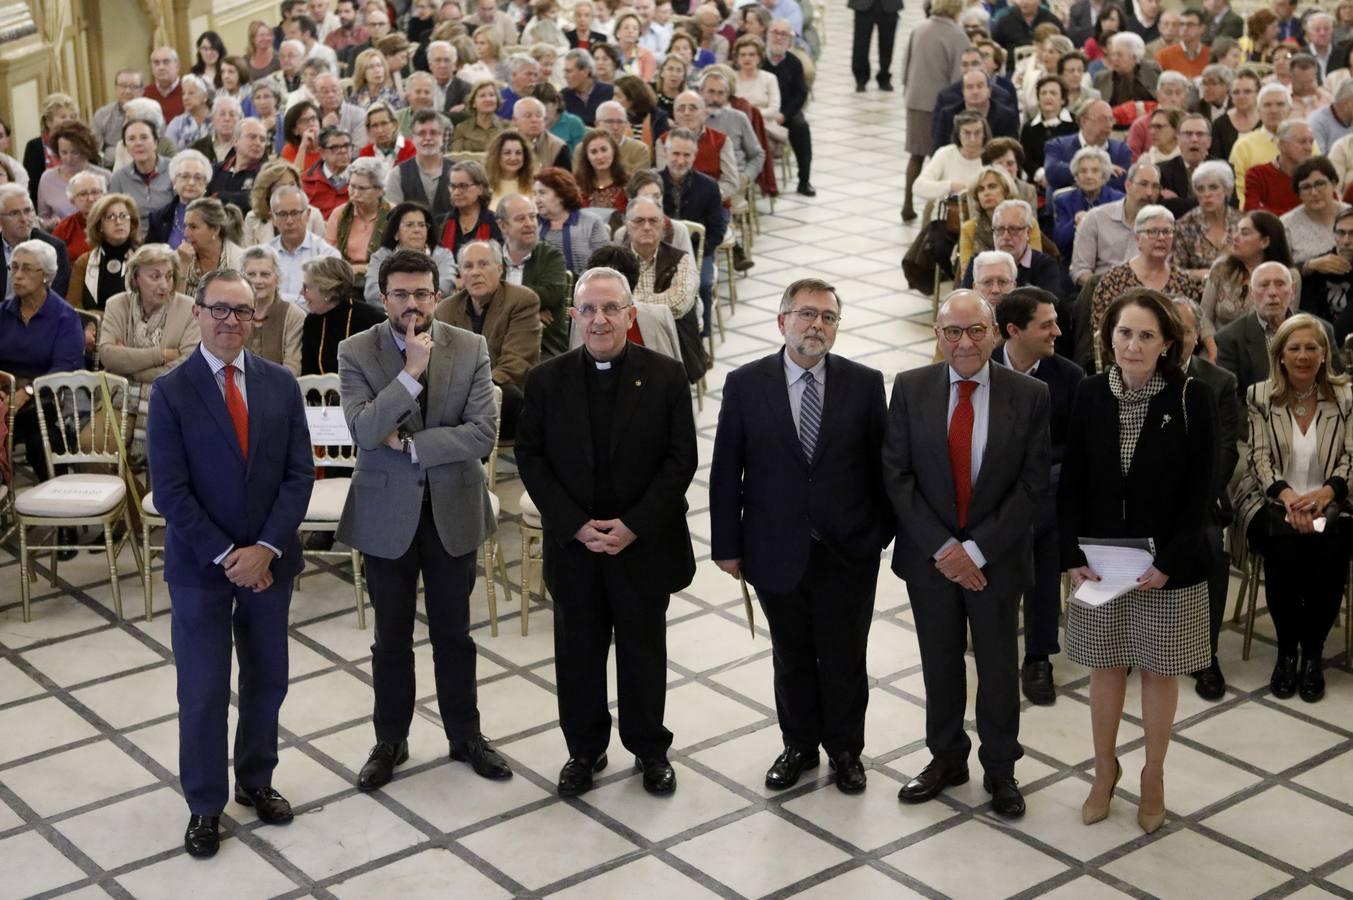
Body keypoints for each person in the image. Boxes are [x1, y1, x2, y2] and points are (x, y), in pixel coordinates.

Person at [146, 267, 315, 859]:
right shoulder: (171, 391)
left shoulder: (280, 384)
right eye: (218, 309)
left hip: (270, 563)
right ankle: (203, 805)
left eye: (241, 311)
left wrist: (266, 548)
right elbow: (170, 491)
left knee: (267, 680)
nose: (229, 321)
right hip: (201, 568)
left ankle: (256, 780)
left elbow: (300, 475)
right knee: (203, 689)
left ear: (256, 318)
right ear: (197, 313)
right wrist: (227, 555)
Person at [515, 265, 697, 797]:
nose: (600, 319)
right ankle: (584, 750)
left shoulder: (665, 376)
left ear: (630, 314)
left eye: (611, 308)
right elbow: (531, 457)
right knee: (578, 654)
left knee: (643, 652)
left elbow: (680, 460)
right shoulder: (546, 380)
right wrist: (574, 525)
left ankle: (649, 749)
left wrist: (633, 526)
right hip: (576, 546)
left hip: (642, 545)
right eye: (589, 309)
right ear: (574, 317)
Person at [335, 248, 512, 789]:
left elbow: (483, 433)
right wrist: (410, 373)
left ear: (439, 294)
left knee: (454, 635)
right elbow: (364, 433)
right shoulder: (355, 350)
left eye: (422, 293)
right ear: (382, 297)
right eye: (400, 294)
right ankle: (391, 739)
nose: (412, 305)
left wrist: (410, 444)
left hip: (452, 509)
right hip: (386, 515)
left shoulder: (470, 346)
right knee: (391, 638)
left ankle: (465, 735)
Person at [709, 277, 890, 792]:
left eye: (828, 317)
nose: (817, 325)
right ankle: (799, 746)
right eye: (807, 314)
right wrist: (727, 544)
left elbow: (884, 465)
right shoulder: (746, 384)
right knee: (791, 654)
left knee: (845, 656)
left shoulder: (864, 382)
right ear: (782, 321)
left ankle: (846, 751)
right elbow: (728, 468)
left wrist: (878, 533)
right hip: (773, 546)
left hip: (848, 548)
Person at [882, 289, 1050, 818]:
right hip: (930, 559)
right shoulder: (910, 388)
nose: (964, 342)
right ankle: (947, 759)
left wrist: (975, 550)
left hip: (995, 560)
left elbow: (1032, 484)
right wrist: (944, 549)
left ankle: (1001, 769)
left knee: (999, 668)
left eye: (976, 330)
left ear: (996, 332)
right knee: (939, 663)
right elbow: (897, 474)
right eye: (952, 331)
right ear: (938, 336)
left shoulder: (1030, 394)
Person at [1060, 286, 1216, 836]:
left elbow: (1201, 492)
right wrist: (1072, 552)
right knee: (1105, 666)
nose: (1133, 344)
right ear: (1110, 337)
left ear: (1166, 343)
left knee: (1158, 669)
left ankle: (1153, 776)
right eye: (1124, 332)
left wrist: (1171, 561)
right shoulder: (1088, 392)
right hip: (1103, 563)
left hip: (1168, 567)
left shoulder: (1192, 398)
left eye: (1146, 335)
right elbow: (1072, 479)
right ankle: (1105, 770)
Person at [1233, 313, 1353, 704]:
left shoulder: (1347, 397)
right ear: (1280, 355)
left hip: (1334, 503)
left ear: (1324, 354)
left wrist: (1324, 495)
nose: (1303, 355)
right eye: (1294, 348)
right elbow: (1259, 457)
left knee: (1329, 548)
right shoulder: (1259, 396)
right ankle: (1287, 653)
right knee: (1284, 548)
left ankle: (1313, 654)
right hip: (1273, 502)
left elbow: (1351, 459)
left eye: (1311, 348)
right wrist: (1287, 497)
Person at [991, 287, 1084, 704]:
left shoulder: (1068, 376)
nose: (1058, 332)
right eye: (1046, 325)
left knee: (1041, 531)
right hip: (989, 494)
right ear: (1013, 330)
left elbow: (1078, 447)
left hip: (1047, 489)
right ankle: (1014, 646)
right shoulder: (983, 369)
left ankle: (1037, 657)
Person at [1168, 297, 1241, 702]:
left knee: (1211, 548)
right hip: (1142, 499)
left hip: (1201, 499)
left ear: (1198, 336)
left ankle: (1203, 653)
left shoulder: (1219, 382)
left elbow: (1226, 450)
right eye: (1170, 329)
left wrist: (1195, 499)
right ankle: (1127, 641)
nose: (1178, 338)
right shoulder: (1131, 375)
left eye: (1186, 330)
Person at [433, 240, 541, 440]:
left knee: (506, 396)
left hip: (501, 391)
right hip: (456, 396)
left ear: (500, 269)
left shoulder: (522, 300)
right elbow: (439, 363)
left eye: (483, 264)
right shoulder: (445, 310)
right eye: (468, 266)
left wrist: (473, 391)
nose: (475, 272)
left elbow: (516, 364)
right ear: (461, 274)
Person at [0, 240, 83, 487]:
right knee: (33, 432)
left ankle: (61, 511)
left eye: (26, 269)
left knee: (41, 436)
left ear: (46, 276)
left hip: (47, 396)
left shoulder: (65, 317)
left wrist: (26, 392)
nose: (17, 275)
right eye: (13, 268)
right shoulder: (2, 313)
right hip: (5, 394)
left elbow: (64, 369)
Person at [1215, 262, 1334, 406]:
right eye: (1264, 285)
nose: (1272, 293)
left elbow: (1334, 386)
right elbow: (1231, 403)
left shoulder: (1322, 329)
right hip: (1259, 420)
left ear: (1293, 290)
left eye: (1280, 284)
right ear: (1252, 293)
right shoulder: (1230, 338)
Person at [1090, 205, 1201, 358]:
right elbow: (1102, 332)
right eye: (1152, 232)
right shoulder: (1113, 280)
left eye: (1167, 231)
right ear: (1137, 238)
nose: (1161, 238)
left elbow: (1193, 329)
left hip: (1174, 362)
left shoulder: (1184, 282)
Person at [900, 0, 969, 222]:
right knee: (940, 157)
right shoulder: (958, 36)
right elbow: (959, 79)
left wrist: (908, 90)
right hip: (942, 107)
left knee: (916, 155)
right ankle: (937, 210)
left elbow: (905, 64)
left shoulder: (919, 28)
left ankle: (908, 204)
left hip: (915, 100)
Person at [620, 195, 702, 380]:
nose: (647, 227)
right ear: (627, 225)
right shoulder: (613, 260)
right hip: (626, 343)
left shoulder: (682, 259)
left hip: (671, 342)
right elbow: (609, 307)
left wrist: (631, 304)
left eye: (653, 221)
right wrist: (662, 299)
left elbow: (679, 305)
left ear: (663, 225)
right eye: (639, 221)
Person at [98, 243, 201, 385]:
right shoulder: (116, 304)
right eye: (155, 277)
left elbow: (187, 368)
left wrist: (132, 372)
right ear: (136, 278)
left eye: (169, 276)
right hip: (116, 401)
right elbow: (107, 355)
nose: (164, 285)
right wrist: (161, 355)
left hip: (169, 402)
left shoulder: (190, 309)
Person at [1200, 211, 1297, 358]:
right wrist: (1215, 352)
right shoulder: (1221, 267)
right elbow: (1204, 316)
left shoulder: (1287, 276)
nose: (1235, 237)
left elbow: (1284, 325)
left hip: (1266, 353)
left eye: (1244, 233)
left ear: (1265, 242)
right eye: (1236, 231)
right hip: (1217, 349)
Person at [496, 193, 570, 358]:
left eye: (532, 217)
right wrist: (529, 313)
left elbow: (551, 294)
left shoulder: (551, 255)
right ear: (502, 226)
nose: (530, 224)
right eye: (521, 219)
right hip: (496, 344)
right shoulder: (491, 257)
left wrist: (503, 302)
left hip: (544, 347)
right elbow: (483, 297)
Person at [1071, 160, 1163, 287]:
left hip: (1143, 295)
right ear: (1128, 185)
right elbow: (1080, 270)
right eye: (1143, 184)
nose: (1149, 193)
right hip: (1099, 290)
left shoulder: (1163, 227)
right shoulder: (1096, 218)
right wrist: (1107, 289)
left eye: (1155, 186)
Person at [962, 202, 1070, 298]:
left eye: (1013, 229)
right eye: (1000, 229)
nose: (1006, 237)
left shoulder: (1045, 265)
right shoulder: (979, 262)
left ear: (1028, 232)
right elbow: (963, 303)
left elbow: (1052, 304)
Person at [299, 255, 383, 374]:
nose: (301, 292)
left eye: (307, 287)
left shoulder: (371, 320)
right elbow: (308, 373)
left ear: (329, 290)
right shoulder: (312, 322)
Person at [364, 202, 459, 304]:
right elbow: (372, 292)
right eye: (409, 225)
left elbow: (446, 287)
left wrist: (401, 295)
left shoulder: (443, 255)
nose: (417, 230)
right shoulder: (381, 256)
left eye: (422, 225)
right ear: (396, 233)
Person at [384, 110, 457, 235]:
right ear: (412, 138)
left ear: (442, 136)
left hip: (451, 242)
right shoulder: (398, 174)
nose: (428, 138)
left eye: (433, 133)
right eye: (422, 133)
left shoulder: (458, 172)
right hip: (411, 245)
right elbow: (393, 219)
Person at [68, 193, 141, 314]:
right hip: (93, 329)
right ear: (99, 225)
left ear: (131, 223)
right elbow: (73, 306)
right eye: (110, 217)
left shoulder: (144, 260)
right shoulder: (84, 262)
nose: (118, 222)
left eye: (123, 216)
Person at [1172, 161, 1242, 281]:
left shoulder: (1241, 223)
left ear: (1227, 190)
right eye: (1200, 189)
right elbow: (1175, 272)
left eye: (1213, 187)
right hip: (1197, 292)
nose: (1207, 194)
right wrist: (1207, 275)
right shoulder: (1184, 225)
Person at [267, 187, 340, 301]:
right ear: (272, 218)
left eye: (295, 213)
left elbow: (325, 301)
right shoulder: (264, 255)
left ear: (308, 214)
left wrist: (277, 300)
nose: (289, 221)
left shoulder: (327, 256)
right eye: (282, 214)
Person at [1053, 147, 1126, 262]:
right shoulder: (1063, 200)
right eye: (1083, 171)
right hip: (1074, 261)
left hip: (1110, 262)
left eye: (1095, 171)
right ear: (1076, 176)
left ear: (1104, 175)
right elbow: (1060, 244)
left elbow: (1122, 242)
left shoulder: (1119, 200)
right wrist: (1075, 222)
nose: (1089, 176)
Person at [1044, 101, 1133, 193]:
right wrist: (1103, 170)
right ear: (1083, 121)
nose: (1109, 125)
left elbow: (1122, 182)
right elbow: (1052, 173)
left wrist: (1078, 179)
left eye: (1111, 119)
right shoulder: (1058, 145)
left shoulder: (1121, 150)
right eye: (1102, 119)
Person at [0, 184, 71, 300]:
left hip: (39, 315)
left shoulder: (54, 247)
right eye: (14, 213)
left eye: (28, 211)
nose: (24, 219)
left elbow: (56, 296)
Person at [36, 121, 111, 230]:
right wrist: (51, 223)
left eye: (75, 152)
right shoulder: (47, 179)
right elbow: (42, 218)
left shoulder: (105, 176)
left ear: (85, 150)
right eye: (64, 152)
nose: (69, 159)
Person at [534, 167, 610, 273]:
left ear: (561, 193)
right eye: (535, 194)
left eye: (542, 193)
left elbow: (604, 263)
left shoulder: (591, 222)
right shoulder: (532, 224)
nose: (536, 200)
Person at [325, 155, 390, 276]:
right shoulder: (339, 214)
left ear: (380, 190)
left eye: (362, 188)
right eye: (352, 186)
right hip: (344, 277)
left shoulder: (394, 215)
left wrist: (361, 269)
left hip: (383, 278)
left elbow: (399, 258)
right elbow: (329, 257)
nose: (355, 193)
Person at [1282, 157, 1348, 267]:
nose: (1314, 193)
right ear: (1298, 193)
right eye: (1306, 187)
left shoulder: (1349, 215)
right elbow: (1281, 270)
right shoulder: (1285, 225)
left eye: (1320, 184)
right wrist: (1308, 266)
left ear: (1334, 184)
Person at [177, 197, 247, 298]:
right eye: (186, 226)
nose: (186, 233)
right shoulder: (181, 257)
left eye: (193, 227)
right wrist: (183, 265)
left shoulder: (241, 261)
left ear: (215, 229)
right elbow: (173, 305)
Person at [1300, 207, 1353, 340]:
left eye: (1352, 233)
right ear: (1334, 235)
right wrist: (1307, 267)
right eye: (1341, 233)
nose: (1346, 241)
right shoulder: (1318, 264)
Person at [1244, 119, 1316, 216]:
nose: (1309, 148)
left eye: (1311, 142)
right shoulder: (1257, 174)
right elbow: (1253, 213)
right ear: (1282, 144)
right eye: (1302, 142)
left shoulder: (1318, 175)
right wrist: (1305, 216)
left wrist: (1269, 212)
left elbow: (1332, 210)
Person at [1022, 77, 1079, 186]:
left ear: (1063, 99)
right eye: (1043, 93)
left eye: (1053, 93)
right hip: (1038, 183)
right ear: (1038, 99)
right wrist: (1041, 174)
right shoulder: (1029, 127)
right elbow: (1026, 159)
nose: (1047, 97)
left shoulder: (1076, 124)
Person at [50, 170, 107, 263]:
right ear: (72, 201)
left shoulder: (117, 221)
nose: (91, 199)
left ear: (104, 195)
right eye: (83, 194)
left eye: (95, 192)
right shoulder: (64, 229)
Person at [1094, 31, 1161, 105]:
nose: (1114, 59)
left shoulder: (1151, 71)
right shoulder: (1101, 78)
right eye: (1113, 54)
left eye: (1119, 55)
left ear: (1134, 57)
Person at [93, 70, 146, 160]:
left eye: (133, 87)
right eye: (123, 86)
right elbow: (96, 150)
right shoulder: (102, 114)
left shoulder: (152, 113)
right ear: (116, 88)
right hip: (110, 167)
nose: (127, 91)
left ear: (142, 91)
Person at [849, 0, 900, 91]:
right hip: (863, 5)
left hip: (889, 5)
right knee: (861, 44)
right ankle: (861, 78)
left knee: (887, 43)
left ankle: (884, 76)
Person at [1157, 7, 1212, 78]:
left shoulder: (1211, 55)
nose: (1185, 28)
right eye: (1182, 24)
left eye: (1190, 24)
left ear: (1202, 28)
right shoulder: (1163, 56)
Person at [145, 47, 186, 122]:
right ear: (151, 68)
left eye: (166, 62)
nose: (161, 67)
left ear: (177, 66)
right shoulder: (145, 94)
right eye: (156, 63)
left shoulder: (188, 91)